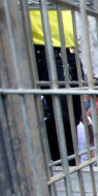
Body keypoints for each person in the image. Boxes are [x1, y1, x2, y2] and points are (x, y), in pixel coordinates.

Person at [31, 9, 84, 164]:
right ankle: (65, 168)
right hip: (44, 46)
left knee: (74, 113)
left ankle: (70, 165)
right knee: (63, 115)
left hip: (70, 48)